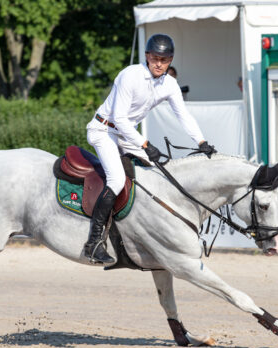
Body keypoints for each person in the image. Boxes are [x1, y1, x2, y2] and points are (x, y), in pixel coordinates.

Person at [84, 33, 216, 264]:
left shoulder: (170, 84)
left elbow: (183, 116)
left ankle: (143, 232)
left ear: (170, 60)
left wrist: (202, 142)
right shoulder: (130, 75)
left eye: (164, 60)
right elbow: (120, 118)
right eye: (155, 58)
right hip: (104, 130)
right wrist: (145, 144)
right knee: (116, 180)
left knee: (159, 170)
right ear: (147, 56)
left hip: (125, 134)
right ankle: (93, 243)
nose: (159, 64)